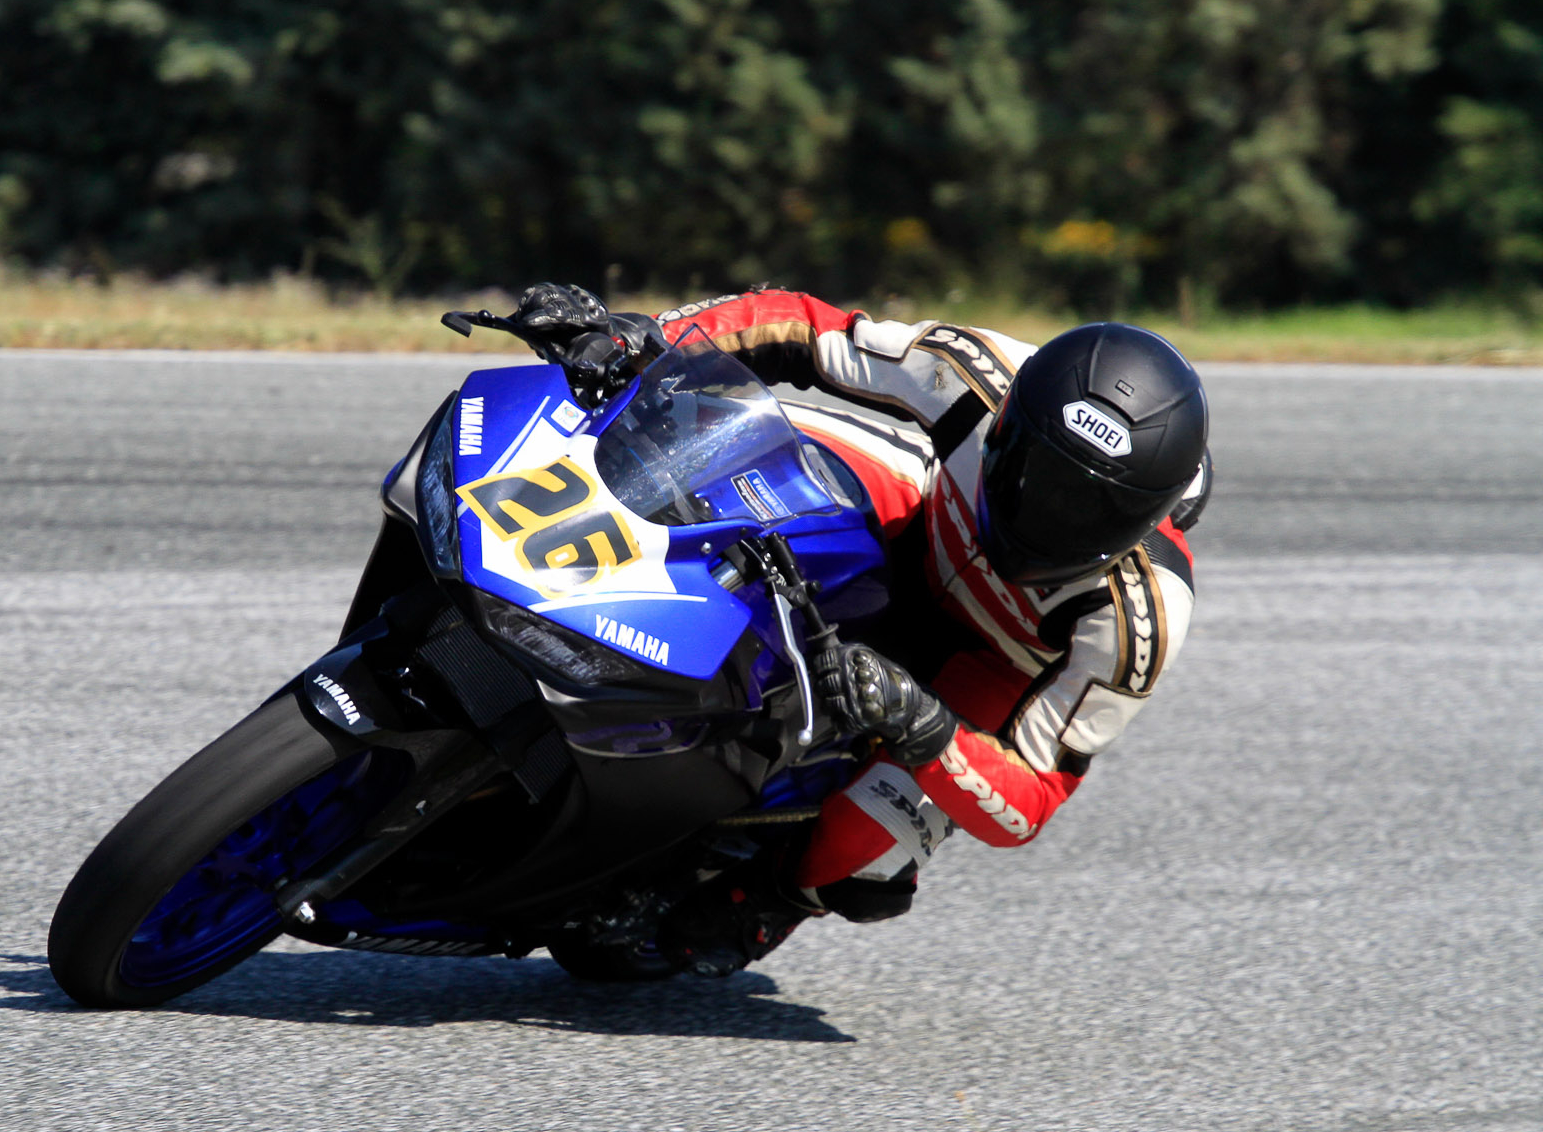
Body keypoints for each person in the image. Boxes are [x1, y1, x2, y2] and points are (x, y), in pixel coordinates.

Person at [507, 283, 1211, 976]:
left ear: (1143, 524)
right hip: (922, 514)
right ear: (1007, 423)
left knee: (861, 859)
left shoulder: (1139, 619)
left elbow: (1030, 799)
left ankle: (778, 895)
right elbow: (807, 330)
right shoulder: (976, 374)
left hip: (992, 666)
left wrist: (922, 723)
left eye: (1085, 511)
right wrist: (644, 338)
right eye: (1033, 470)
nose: (1043, 514)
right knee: (720, 435)